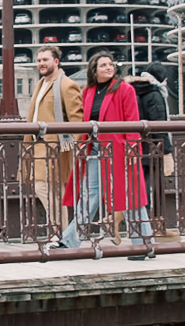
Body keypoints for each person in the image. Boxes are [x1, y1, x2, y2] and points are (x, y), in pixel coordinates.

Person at [62, 51, 151, 247]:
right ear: (94, 71)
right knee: (88, 193)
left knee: (129, 194)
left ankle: (143, 241)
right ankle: (70, 240)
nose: (109, 68)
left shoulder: (125, 90)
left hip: (119, 151)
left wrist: (132, 149)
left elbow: (133, 120)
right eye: (103, 65)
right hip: (95, 149)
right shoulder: (88, 91)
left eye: (110, 64)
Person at [24, 40, 83, 243]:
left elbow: (77, 120)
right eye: (39, 60)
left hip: (55, 148)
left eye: (45, 60)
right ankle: (65, 236)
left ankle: (61, 234)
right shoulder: (41, 84)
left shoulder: (66, 84)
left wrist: (71, 147)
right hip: (39, 147)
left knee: (46, 189)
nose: (41, 63)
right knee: (52, 193)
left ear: (56, 61)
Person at [130, 68, 174, 232]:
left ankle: (135, 223)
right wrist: (167, 150)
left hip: (135, 146)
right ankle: (151, 225)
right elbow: (159, 123)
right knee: (151, 187)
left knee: (138, 187)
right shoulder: (154, 93)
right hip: (152, 147)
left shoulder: (133, 89)